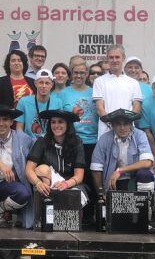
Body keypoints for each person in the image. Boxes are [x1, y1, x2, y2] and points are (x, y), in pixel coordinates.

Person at [60, 56, 99, 224]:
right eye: (76, 73)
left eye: (82, 73)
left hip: (92, 142)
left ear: (87, 74)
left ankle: (90, 216)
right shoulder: (62, 94)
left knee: (91, 178)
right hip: (72, 142)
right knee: (73, 178)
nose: (79, 76)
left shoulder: (94, 92)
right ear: (71, 74)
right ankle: (74, 215)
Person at [25, 109, 88, 208]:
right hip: (48, 184)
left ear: (68, 125)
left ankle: (70, 223)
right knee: (42, 169)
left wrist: (66, 184)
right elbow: (29, 170)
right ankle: (44, 221)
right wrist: (38, 183)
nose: (56, 125)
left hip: (71, 183)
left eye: (60, 122)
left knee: (73, 196)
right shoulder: (42, 141)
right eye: (53, 122)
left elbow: (79, 176)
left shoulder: (77, 142)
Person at [91, 109, 155, 192]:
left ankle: (147, 202)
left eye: (126, 124)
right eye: (118, 124)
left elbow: (147, 162)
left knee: (144, 174)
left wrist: (120, 170)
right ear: (112, 125)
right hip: (113, 181)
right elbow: (96, 168)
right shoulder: (104, 139)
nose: (122, 128)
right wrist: (101, 193)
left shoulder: (140, 135)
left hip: (136, 179)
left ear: (131, 124)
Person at [93, 45, 143, 139]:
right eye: (111, 57)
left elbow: (136, 108)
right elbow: (100, 108)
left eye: (117, 57)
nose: (114, 60)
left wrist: (124, 125)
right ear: (107, 58)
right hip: (106, 132)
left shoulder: (134, 83)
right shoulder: (99, 81)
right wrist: (113, 125)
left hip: (128, 132)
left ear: (123, 58)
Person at [15, 69, 63, 138]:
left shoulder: (58, 102)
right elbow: (19, 128)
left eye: (47, 83)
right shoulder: (23, 102)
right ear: (35, 83)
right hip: (29, 144)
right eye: (41, 82)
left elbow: (59, 126)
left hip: (50, 144)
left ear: (52, 85)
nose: (44, 86)